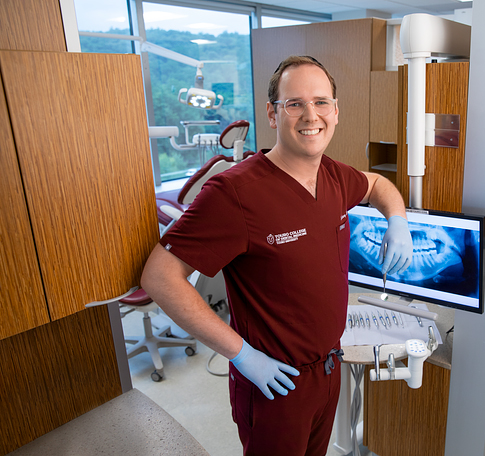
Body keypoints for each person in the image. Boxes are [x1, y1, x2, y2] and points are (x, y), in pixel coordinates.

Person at [141, 55, 412, 456]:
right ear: (272, 113)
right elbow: (159, 277)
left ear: (335, 112)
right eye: (294, 103)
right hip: (276, 384)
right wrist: (242, 355)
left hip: (329, 369)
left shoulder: (335, 176)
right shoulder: (234, 194)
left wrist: (398, 220)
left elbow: (376, 183)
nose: (310, 115)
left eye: (321, 102)